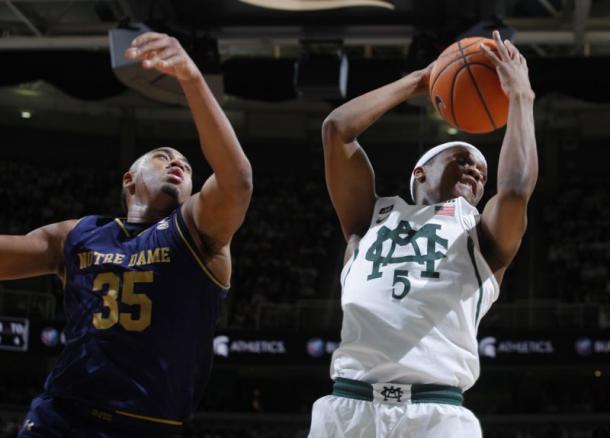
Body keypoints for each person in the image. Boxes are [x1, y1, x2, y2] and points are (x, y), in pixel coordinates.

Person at [1, 32, 252, 437]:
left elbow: (237, 180)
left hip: (148, 425)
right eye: (162, 157)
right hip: (63, 416)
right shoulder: (79, 234)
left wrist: (191, 78)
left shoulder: (197, 233)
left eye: (186, 165)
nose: (177, 164)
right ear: (129, 179)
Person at [309, 30, 537, 437]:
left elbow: (517, 189)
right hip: (349, 409)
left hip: (436, 414)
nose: (476, 170)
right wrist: (420, 80)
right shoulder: (370, 218)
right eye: (461, 157)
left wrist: (521, 97)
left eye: (482, 172)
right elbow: (337, 130)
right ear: (421, 172)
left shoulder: (480, 234)